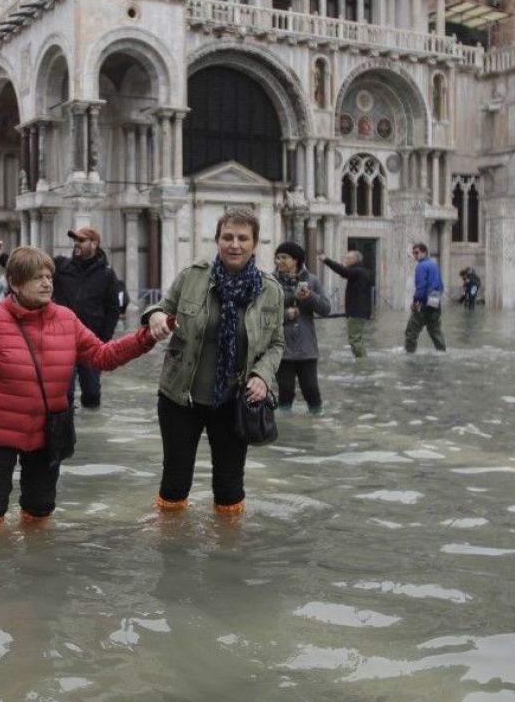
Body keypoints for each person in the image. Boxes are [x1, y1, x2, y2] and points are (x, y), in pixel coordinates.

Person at [0, 245, 157, 529]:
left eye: (49, 276)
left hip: (47, 432)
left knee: (40, 507)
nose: (47, 283)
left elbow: (102, 356)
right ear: (15, 283)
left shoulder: (67, 319)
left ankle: (34, 555)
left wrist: (146, 337)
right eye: (38, 278)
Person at [140, 208, 285, 517]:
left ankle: (228, 544)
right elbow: (161, 307)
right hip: (180, 397)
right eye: (228, 237)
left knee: (229, 489)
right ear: (217, 240)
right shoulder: (192, 276)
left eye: (243, 238)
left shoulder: (271, 290)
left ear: (255, 243)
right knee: (175, 483)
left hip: (233, 401)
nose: (235, 245)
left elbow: (276, 343)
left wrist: (262, 375)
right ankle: (171, 541)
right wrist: (155, 316)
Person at [0, 227, 124, 408]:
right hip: (60, 341)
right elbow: (31, 270)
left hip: (90, 342)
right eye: (75, 240)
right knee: (63, 394)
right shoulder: (61, 266)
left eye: (81, 240)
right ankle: (65, 422)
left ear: (94, 244)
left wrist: (103, 339)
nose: (76, 244)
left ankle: (91, 421)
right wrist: (1, 256)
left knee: (92, 393)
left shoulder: (107, 275)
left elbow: (113, 309)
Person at [273, 241, 329, 415]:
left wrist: (309, 297)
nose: (279, 261)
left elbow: (326, 309)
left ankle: (316, 424)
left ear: (295, 260)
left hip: (307, 348)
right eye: (277, 257)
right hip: (281, 348)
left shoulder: (312, 281)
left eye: (284, 257)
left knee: (311, 391)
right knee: (285, 392)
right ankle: (285, 428)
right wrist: (285, 314)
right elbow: (261, 314)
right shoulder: (270, 281)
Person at [316, 248, 374, 357]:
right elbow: (344, 272)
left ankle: (362, 362)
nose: (345, 260)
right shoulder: (359, 271)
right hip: (359, 311)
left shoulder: (358, 271)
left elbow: (342, 271)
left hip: (357, 312)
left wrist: (325, 260)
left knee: (355, 340)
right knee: (357, 339)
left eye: (348, 258)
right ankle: (362, 358)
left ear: (355, 260)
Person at [404, 242, 447, 354]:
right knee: (435, 330)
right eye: (413, 253)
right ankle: (442, 352)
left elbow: (421, 287)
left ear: (424, 252)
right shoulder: (434, 265)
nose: (415, 255)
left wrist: (415, 302)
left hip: (424, 302)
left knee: (411, 330)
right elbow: (441, 286)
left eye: (417, 252)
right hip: (435, 301)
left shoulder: (421, 266)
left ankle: (409, 353)